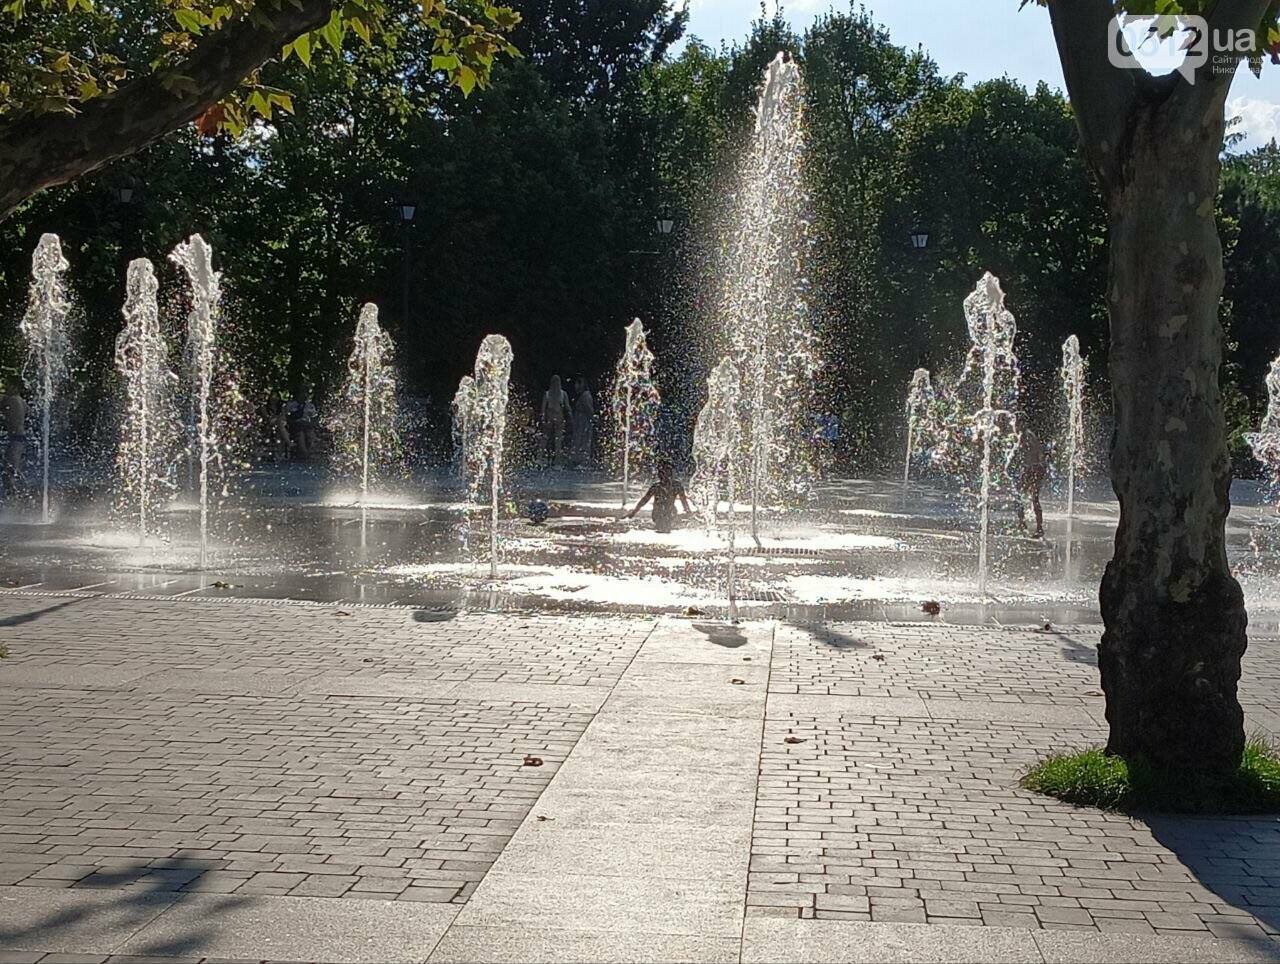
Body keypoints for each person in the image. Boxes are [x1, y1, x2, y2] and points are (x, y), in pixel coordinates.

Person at [624, 458, 692, 533]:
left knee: (665, 514)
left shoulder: (664, 486)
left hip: (663, 513)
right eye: (662, 473)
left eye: (665, 473)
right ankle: (666, 524)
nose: (663, 475)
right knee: (666, 515)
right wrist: (689, 513)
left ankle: (664, 524)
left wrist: (633, 513)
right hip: (666, 514)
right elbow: (684, 502)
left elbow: (644, 500)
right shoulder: (665, 486)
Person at [1015, 428, 1047, 538]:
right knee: (1032, 498)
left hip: (1031, 469)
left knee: (1024, 497)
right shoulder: (1030, 435)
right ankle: (1032, 525)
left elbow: (1025, 452)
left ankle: (1025, 524)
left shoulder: (1025, 435)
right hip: (1035, 469)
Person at [2, 376, 28, 495]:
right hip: (20, 438)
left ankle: (13, 497)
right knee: (13, 468)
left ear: (16, 388)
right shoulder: (22, 401)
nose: (6, 387)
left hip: (15, 440)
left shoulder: (10, 400)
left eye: (9, 385)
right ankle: (17, 493)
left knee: (9, 470)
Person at [539, 375, 571, 468]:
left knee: (547, 439)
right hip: (557, 419)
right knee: (557, 440)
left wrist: (542, 420)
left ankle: (542, 458)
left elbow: (543, 410)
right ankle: (556, 461)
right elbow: (567, 407)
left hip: (551, 419)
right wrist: (570, 417)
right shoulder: (561, 394)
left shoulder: (549, 394)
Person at [570, 375, 594, 468]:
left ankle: (584, 461)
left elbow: (589, 409)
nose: (575, 386)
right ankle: (579, 460)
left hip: (584, 420)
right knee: (579, 438)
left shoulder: (585, 395)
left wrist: (591, 418)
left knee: (584, 439)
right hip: (580, 420)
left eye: (577, 383)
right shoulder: (583, 395)